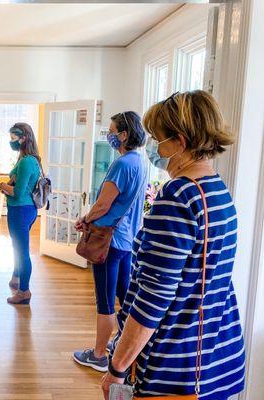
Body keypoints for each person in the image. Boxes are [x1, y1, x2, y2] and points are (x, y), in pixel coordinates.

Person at [102, 91, 245, 399]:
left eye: (157, 138)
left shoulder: (177, 198)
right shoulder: (217, 191)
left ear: (180, 142)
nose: (153, 146)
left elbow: (153, 299)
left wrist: (117, 367)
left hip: (176, 366)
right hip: (216, 357)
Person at [73, 111, 147, 372]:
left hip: (109, 241)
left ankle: (99, 355)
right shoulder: (141, 162)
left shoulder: (122, 164)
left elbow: (104, 204)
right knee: (124, 297)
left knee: (105, 302)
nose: (109, 135)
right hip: (127, 242)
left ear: (124, 135)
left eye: (112, 130)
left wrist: (85, 218)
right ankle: (127, 349)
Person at [0, 123, 41, 305]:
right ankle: (16, 278)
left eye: (13, 139)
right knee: (18, 247)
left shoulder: (26, 161)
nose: (11, 142)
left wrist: (2, 186)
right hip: (26, 209)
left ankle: (24, 291)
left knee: (22, 252)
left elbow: (17, 192)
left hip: (20, 210)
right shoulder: (30, 159)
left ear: (23, 138)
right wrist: (10, 185)